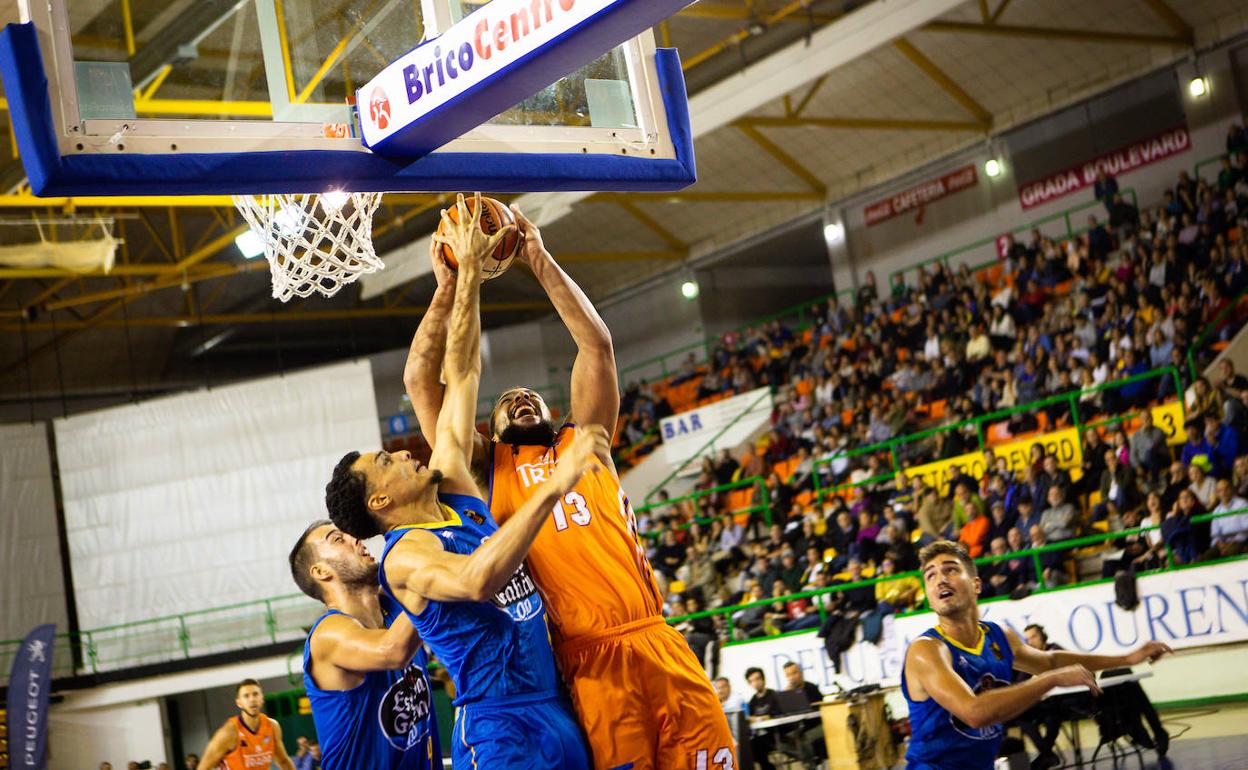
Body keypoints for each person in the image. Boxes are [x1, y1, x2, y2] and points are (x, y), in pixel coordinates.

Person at [405, 200, 734, 769]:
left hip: (657, 637)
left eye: (531, 395)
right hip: (587, 662)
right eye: (507, 401)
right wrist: (449, 287)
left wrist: (538, 255)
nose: (522, 397)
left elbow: (596, 346)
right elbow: (426, 385)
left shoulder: (585, 442)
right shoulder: (484, 471)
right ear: (492, 429)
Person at [324, 196, 594, 770]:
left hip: (554, 708)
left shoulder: (454, 493)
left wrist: (457, 281)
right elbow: (475, 580)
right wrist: (552, 487)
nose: (400, 452)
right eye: (386, 460)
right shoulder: (406, 557)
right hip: (500, 727)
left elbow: (462, 370)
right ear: (379, 501)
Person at [900, 541, 1171, 770]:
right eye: (931, 576)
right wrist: (1049, 680)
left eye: (950, 570)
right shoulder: (927, 650)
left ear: (976, 585)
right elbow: (974, 712)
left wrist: (1126, 658)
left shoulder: (997, 636)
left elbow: (1051, 661)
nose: (940, 580)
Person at [288, 520, 440, 769]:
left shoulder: (395, 608)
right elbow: (392, 650)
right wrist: (433, 571)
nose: (356, 538)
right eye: (338, 539)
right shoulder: (327, 634)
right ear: (320, 571)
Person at [195, 680, 296, 770]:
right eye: (246, 696)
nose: (252, 699)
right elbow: (203, 767)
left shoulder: (272, 726)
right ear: (239, 703)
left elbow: (283, 761)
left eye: (255, 694)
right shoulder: (228, 733)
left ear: (262, 699)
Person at [744, 667, 783, 770]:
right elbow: (750, 718)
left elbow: (776, 715)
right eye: (752, 681)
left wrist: (759, 718)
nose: (756, 683)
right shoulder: (752, 701)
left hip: (775, 734)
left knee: (757, 746)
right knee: (748, 747)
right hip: (759, 735)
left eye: (758, 679)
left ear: (763, 679)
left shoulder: (774, 695)